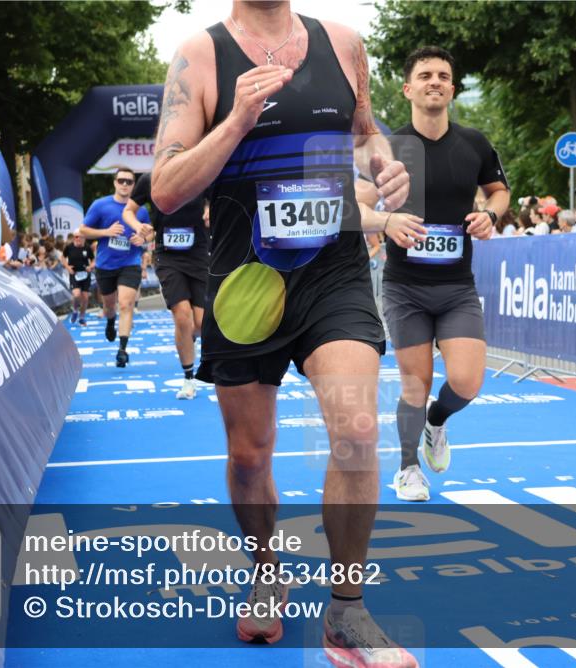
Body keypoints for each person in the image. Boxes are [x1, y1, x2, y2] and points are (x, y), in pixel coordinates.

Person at [149, 2, 416, 665]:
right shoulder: (200, 56)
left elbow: (366, 134)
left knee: (357, 430)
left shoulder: (344, 43)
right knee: (249, 455)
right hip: (246, 283)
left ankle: (347, 612)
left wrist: (383, 164)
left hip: (335, 272)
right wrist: (236, 120)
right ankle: (266, 570)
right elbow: (166, 189)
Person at [382, 46, 510, 503]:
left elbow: (499, 192)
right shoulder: (388, 148)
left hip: (457, 286)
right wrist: (385, 221)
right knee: (414, 382)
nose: (434, 81)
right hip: (405, 287)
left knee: (468, 381)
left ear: (452, 89)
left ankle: (436, 422)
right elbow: (357, 200)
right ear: (408, 89)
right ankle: (408, 468)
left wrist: (490, 215)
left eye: (442, 75)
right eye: (425, 75)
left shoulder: (473, 143)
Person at [124, 172, 207, 400]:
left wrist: (210, 209)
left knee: (200, 324)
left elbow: (218, 198)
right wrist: (138, 226)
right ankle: (189, 378)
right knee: (182, 315)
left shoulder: (202, 171)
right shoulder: (150, 179)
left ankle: (188, 338)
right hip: (167, 255)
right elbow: (128, 211)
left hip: (199, 254)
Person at [79, 167, 150, 367]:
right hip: (106, 265)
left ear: (134, 185)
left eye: (129, 181)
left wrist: (143, 237)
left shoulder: (141, 210)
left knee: (126, 304)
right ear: (115, 183)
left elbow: (150, 232)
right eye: (121, 181)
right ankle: (110, 321)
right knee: (109, 306)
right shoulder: (100, 205)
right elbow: (83, 230)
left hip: (131, 263)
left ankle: (122, 350)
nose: (125, 184)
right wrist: (106, 232)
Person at [63, 229, 95, 325]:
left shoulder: (87, 248)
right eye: (76, 237)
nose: (77, 239)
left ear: (84, 238)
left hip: (85, 274)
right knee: (76, 294)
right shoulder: (69, 247)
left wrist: (90, 267)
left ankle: (82, 317)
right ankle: (75, 310)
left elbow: (93, 260)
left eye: (80, 237)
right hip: (74, 274)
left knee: (85, 297)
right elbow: (62, 257)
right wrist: (67, 267)